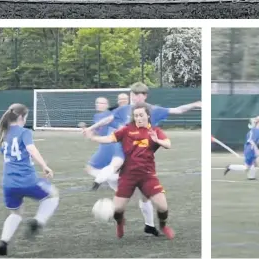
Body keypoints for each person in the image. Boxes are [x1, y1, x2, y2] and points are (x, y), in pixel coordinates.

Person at [84, 82, 200, 236]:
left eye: (139, 95)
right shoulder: (123, 113)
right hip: (124, 148)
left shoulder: (154, 113)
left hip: (144, 158)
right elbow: (108, 121)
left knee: (147, 198)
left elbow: (178, 110)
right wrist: (92, 130)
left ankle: (152, 225)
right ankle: (102, 184)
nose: (136, 98)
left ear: (145, 96)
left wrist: (197, 104)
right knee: (117, 164)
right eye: (133, 95)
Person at [86, 103, 175, 240]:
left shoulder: (155, 131)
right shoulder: (127, 130)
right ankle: (120, 223)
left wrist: (158, 141)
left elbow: (168, 144)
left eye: (141, 115)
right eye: (136, 116)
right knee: (117, 210)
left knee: (163, 206)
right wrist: (93, 138)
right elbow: (110, 139)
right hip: (127, 176)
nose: (138, 118)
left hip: (147, 176)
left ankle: (163, 226)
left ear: (148, 115)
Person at [0, 104, 59, 256]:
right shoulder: (25, 132)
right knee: (52, 195)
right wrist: (44, 166)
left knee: (15, 214)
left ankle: (3, 242)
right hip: (27, 180)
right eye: (26, 117)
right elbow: (31, 149)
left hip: (8, 184)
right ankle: (38, 222)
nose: (25, 120)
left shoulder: (4, 134)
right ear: (20, 118)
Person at [81, 98, 119, 191]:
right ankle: (120, 189)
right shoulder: (97, 116)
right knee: (111, 172)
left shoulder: (106, 115)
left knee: (89, 168)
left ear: (107, 105)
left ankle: (111, 177)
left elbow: (106, 122)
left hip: (108, 146)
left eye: (102, 103)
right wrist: (89, 132)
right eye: (97, 102)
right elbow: (99, 131)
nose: (99, 104)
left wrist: (90, 131)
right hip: (107, 144)